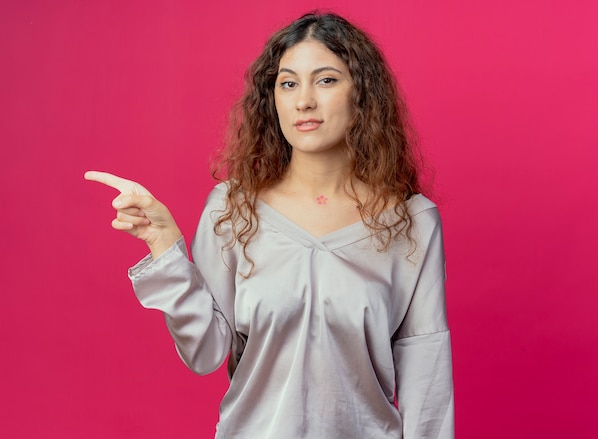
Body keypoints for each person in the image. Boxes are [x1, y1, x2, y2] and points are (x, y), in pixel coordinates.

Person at [85, 12, 454, 439]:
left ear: (363, 94)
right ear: (272, 96)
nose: (304, 101)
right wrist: (165, 246)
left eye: (327, 80)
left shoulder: (412, 222)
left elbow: (427, 376)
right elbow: (204, 352)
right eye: (289, 83)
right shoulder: (232, 209)